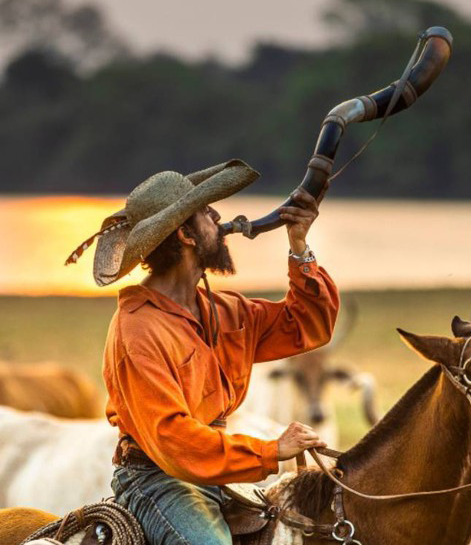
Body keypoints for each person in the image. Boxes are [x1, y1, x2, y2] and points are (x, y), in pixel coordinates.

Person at [66, 159, 340, 545]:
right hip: (159, 480)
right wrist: (271, 449)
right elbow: (173, 439)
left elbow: (309, 325)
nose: (217, 218)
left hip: (218, 474)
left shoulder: (224, 309)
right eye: (206, 213)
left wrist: (298, 245)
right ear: (187, 236)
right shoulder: (137, 330)